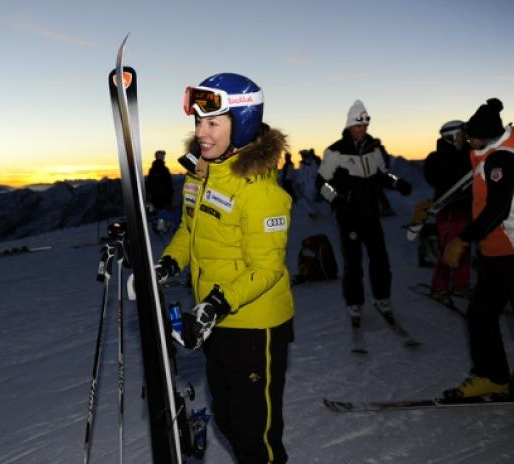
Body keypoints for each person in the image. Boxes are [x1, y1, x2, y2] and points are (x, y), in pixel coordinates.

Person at [156, 73, 294, 463]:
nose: (201, 132)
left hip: (255, 326)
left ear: (242, 123)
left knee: (256, 434)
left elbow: (267, 268)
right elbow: (189, 230)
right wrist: (168, 264)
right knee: (228, 418)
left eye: (213, 123)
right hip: (215, 319)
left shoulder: (261, 191)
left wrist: (216, 304)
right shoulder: (201, 175)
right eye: (199, 121)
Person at [442, 98, 514, 398]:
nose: (469, 141)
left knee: (481, 314)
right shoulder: (491, 154)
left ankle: (492, 376)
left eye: (472, 137)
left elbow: (497, 208)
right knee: (481, 314)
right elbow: (480, 196)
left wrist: (462, 239)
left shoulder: (501, 159)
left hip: (508, 251)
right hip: (497, 251)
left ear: (486, 136)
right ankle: (493, 376)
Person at [316, 100, 412, 323]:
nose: (362, 129)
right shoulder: (335, 151)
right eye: (358, 126)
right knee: (353, 261)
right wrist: (336, 200)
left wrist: (398, 183)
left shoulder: (373, 149)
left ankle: (382, 297)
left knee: (379, 257)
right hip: (348, 216)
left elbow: (384, 173)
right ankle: (354, 302)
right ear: (350, 125)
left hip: (370, 213)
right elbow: (321, 183)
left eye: (365, 125)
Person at [422, 120, 473, 304]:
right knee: (448, 249)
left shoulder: (469, 154)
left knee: (464, 248)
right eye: (461, 135)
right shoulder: (436, 158)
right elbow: (433, 177)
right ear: (450, 137)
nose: (464, 138)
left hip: (467, 208)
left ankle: (461, 283)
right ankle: (440, 287)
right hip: (449, 210)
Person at [145, 149, 176, 232]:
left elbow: (149, 184)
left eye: (163, 156)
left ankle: (162, 224)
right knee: (163, 210)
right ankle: (161, 226)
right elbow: (168, 184)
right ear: (159, 157)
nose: (163, 157)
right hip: (162, 196)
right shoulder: (163, 170)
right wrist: (170, 194)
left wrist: (149, 195)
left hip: (157, 196)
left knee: (161, 210)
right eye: (162, 156)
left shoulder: (153, 170)